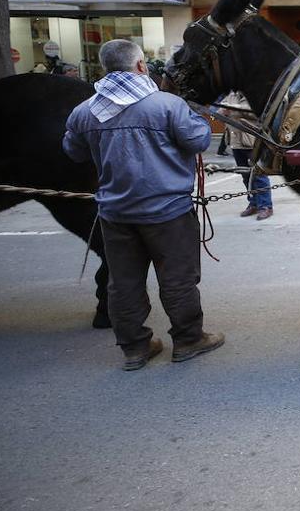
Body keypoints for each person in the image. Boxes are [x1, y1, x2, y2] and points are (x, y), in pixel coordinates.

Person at [63, 39, 225, 371]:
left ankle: (135, 348)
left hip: (115, 214)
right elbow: (198, 140)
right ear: (140, 66)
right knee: (178, 278)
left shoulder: (85, 111)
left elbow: (73, 152)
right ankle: (188, 340)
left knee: (123, 282)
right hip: (169, 213)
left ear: (106, 68)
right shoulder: (166, 106)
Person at [220, 92, 272, 221]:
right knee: (245, 176)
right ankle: (253, 202)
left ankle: (265, 206)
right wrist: (225, 110)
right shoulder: (231, 95)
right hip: (235, 143)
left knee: (259, 175)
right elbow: (220, 111)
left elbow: (254, 112)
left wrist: (231, 109)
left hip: (252, 142)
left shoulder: (251, 92)